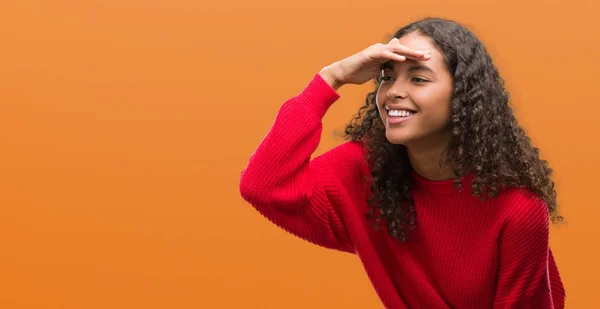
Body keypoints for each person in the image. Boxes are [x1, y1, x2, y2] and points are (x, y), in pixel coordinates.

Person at [239, 17, 565, 308]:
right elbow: (263, 186)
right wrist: (331, 77)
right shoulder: (364, 169)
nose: (394, 91)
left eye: (418, 79)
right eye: (387, 77)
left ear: (463, 98)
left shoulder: (517, 209)